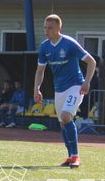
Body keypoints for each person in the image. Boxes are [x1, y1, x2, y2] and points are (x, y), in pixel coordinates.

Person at [33, 14, 96, 168]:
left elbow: (91, 62)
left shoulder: (69, 43)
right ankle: (70, 156)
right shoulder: (44, 47)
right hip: (59, 89)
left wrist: (87, 82)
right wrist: (36, 89)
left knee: (66, 116)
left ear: (58, 28)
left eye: (50, 28)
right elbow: (40, 70)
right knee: (62, 123)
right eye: (45, 27)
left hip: (75, 86)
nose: (46, 30)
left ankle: (76, 157)